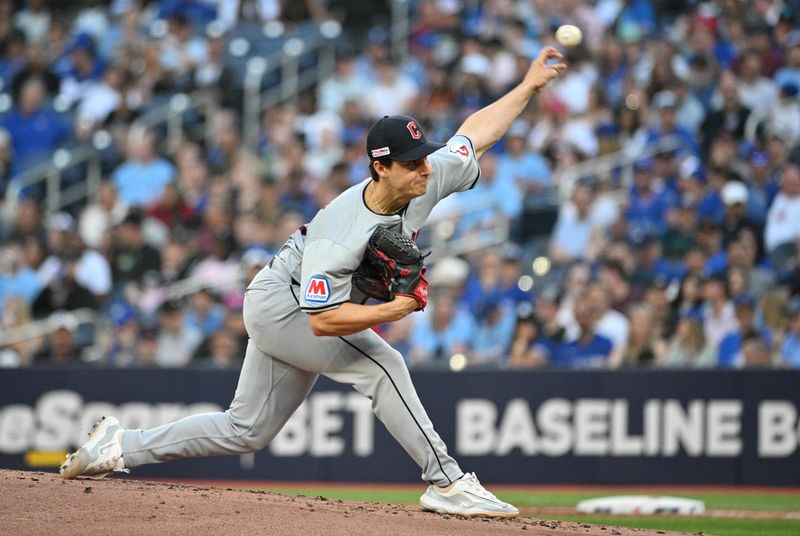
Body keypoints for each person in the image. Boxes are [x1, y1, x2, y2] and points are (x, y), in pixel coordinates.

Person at [59, 46, 568, 518]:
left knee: (247, 429)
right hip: (283, 303)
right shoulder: (339, 232)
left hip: (307, 303)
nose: (422, 169)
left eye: (422, 158)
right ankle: (446, 481)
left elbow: (474, 133)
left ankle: (120, 446)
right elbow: (323, 322)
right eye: (410, 163)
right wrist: (395, 309)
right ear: (380, 166)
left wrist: (528, 86)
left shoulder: (426, 174)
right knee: (382, 364)